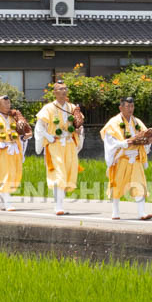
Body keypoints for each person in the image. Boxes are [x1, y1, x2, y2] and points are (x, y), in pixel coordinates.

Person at [100, 96, 152, 220]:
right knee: (117, 184)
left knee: (139, 184)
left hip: (135, 158)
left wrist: (149, 140)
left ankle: (141, 212)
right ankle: (115, 211)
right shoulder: (113, 123)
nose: (130, 109)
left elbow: (146, 136)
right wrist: (124, 143)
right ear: (121, 107)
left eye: (132, 106)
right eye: (127, 106)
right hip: (122, 158)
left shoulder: (137, 122)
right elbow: (109, 141)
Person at [34, 82, 84, 216]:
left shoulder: (72, 107)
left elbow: (78, 124)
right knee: (58, 174)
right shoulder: (48, 108)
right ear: (55, 92)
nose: (63, 91)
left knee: (68, 172)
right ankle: (58, 206)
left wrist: (79, 131)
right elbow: (39, 127)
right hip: (55, 144)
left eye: (65, 89)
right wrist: (48, 137)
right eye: (60, 89)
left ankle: (61, 204)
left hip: (69, 144)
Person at [0, 95, 29, 211]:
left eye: (9, 103)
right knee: (4, 176)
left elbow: (21, 133)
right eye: (5, 103)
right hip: (1, 152)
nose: (8, 106)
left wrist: (24, 137)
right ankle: (8, 203)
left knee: (12, 175)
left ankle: (2, 200)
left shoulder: (14, 118)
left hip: (14, 150)